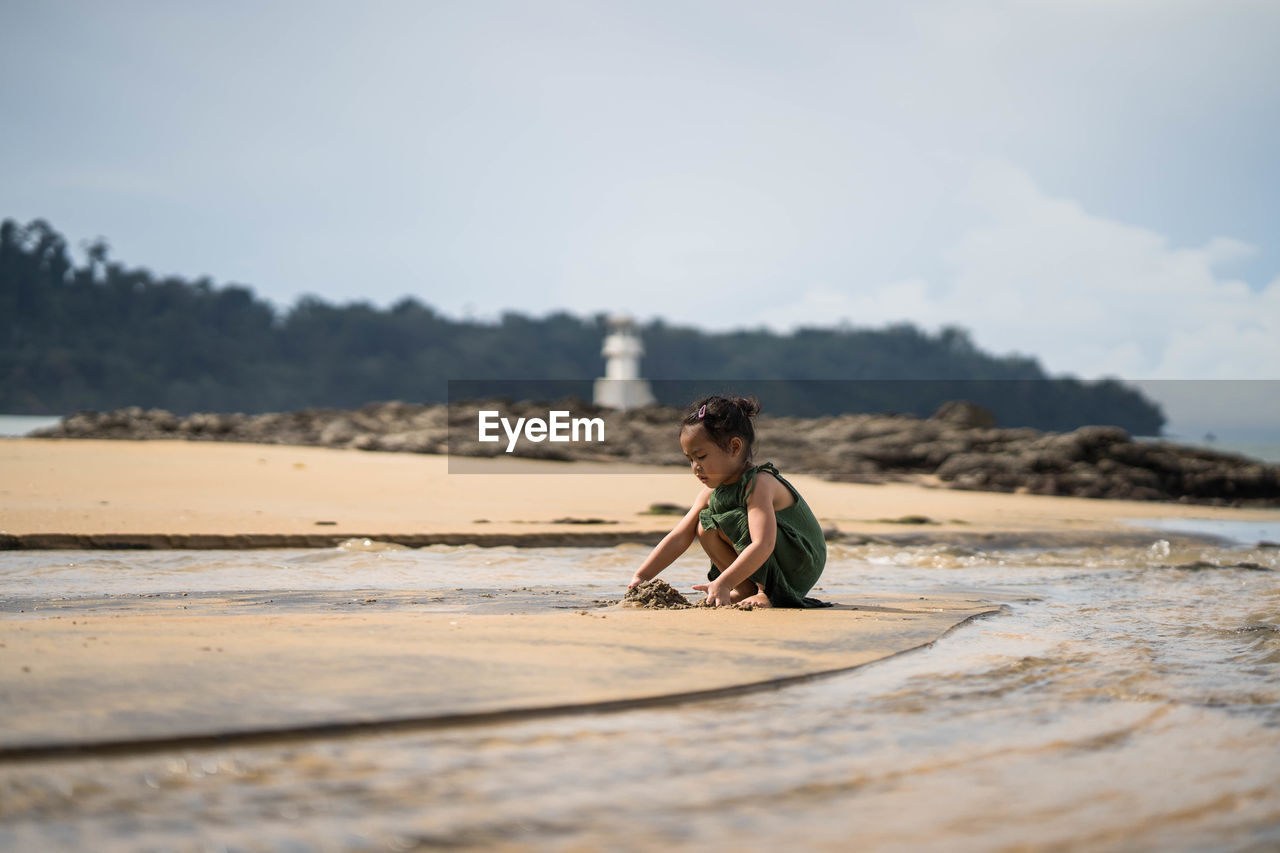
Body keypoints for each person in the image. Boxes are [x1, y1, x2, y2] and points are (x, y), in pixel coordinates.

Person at [627, 395, 828, 608]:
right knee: (705, 525)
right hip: (769, 556)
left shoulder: (759, 484)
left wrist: (723, 581)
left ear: (734, 447)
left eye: (701, 456)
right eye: (690, 460)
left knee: (737, 520)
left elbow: (763, 543)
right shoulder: (709, 494)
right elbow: (679, 537)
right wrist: (642, 576)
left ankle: (763, 592)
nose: (695, 467)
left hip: (800, 562)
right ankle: (744, 589)